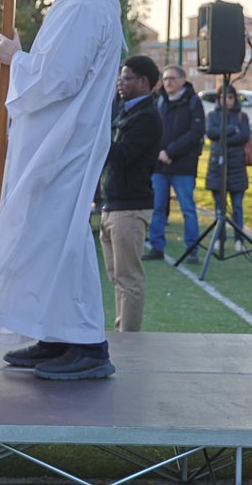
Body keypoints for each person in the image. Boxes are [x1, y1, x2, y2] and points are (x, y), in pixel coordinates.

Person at [0, 0, 124, 381]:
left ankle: (85, 342)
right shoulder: (81, 3)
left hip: (64, 145)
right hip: (55, 140)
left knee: (60, 234)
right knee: (47, 235)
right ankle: (56, 334)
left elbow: (58, 80)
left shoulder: (87, 6)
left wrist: (14, 58)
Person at [99, 55, 162, 332]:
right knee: (117, 277)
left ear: (143, 81)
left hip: (130, 206)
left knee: (129, 279)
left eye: (126, 78)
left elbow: (122, 155)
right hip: (114, 204)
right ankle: (121, 331)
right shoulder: (127, 110)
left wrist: (96, 134)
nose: (120, 84)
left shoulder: (146, 116)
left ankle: (129, 339)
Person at [144, 65, 206, 263]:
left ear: (182, 80)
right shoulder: (159, 101)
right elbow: (151, 131)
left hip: (183, 167)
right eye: (165, 78)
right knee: (158, 207)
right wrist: (158, 155)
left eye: (172, 78)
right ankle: (156, 247)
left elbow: (195, 133)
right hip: (160, 167)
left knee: (187, 208)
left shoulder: (194, 102)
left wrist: (170, 152)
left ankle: (192, 249)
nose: (168, 82)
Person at [205, 86, 252, 252]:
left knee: (237, 207)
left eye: (231, 97)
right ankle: (220, 238)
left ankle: (240, 240)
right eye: (223, 97)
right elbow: (211, 133)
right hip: (217, 167)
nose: (227, 101)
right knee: (219, 208)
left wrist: (223, 136)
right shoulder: (212, 116)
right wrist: (232, 130)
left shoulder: (242, 117)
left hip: (237, 168)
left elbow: (244, 136)